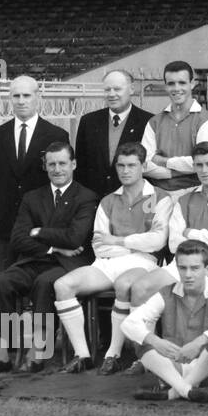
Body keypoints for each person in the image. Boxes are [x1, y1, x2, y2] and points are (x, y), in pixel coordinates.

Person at [52, 142, 171, 375]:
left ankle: (112, 354)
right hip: (107, 263)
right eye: (121, 165)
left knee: (124, 284)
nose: (125, 171)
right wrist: (132, 244)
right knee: (63, 285)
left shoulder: (160, 197)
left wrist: (117, 240)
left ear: (144, 166)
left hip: (144, 262)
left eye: (132, 165)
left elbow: (157, 241)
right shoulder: (108, 200)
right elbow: (98, 245)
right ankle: (83, 355)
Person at [0, 141, 98, 375]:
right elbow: (17, 238)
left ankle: (37, 352)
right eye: (51, 164)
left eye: (62, 163)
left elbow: (75, 238)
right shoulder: (32, 197)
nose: (57, 169)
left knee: (46, 283)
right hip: (36, 259)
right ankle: (2, 355)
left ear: (73, 164)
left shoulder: (86, 197)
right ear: (45, 167)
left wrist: (40, 232)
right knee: (0, 282)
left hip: (69, 265)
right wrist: (54, 248)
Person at [127, 143, 208, 310]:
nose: (204, 170)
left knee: (194, 290)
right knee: (140, 288)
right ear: (193, 167)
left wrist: (190, 232)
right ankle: (146, 336)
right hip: (181, 262)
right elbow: (173, 244)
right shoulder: (184, 200)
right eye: (199, 165)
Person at [120, 239, 208, 403]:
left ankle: (173, 392)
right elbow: (128, 324)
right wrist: (155, 341)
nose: (188, 275)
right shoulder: (166, 293)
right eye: (183, 268)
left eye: (195, 268)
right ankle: (186, 391)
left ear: (207, 269)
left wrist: (199, 342)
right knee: (142, 340)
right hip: (176, 367)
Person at [0, 75, 69, 273]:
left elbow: (60, 178)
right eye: (16, 96)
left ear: (37, 97)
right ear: (9, 98)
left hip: (41, 224)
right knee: (4, 286)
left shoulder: (56, 135)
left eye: (26, 95)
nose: (21, 101)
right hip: (5, 224)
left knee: (38, 287)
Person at [142, 61, 208, 204]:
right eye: (171, 84)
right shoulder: (154, 122)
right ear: (165, 86)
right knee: (154, 227)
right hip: (156, 195)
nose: (176, 88)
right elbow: (144, 164)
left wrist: (164, 161)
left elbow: (202, 161)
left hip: (194, 194)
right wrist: (175, 172)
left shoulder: (206, 120)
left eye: (182, 83)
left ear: (192, 84)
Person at [73, 68, 152, 197]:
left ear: (131, 89)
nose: (111, 94)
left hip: (133, 200)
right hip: (94, 200)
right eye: (107, 90)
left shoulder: (147, 121)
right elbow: (81, 167)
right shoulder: (88, 121)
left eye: (117, 89)